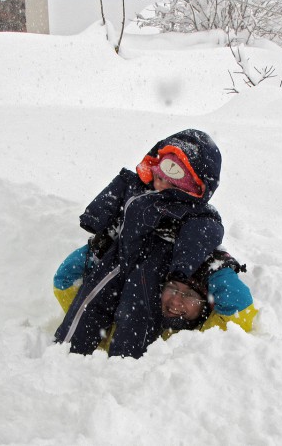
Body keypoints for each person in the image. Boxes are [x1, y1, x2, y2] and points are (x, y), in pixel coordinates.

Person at [54, 129, 225, 358]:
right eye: (159, 177)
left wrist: (182, 267)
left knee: (137, 315)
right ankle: (66, 351)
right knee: (91, 301)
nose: (161, 184)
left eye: (172, 184)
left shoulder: (197, 214)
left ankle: (126, 366)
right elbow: (117, 190)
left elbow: (202, 234)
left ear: (194, 189)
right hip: (118, 258)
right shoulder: (136, 185)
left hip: (151, 270)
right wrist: (96, 219)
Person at [53, 247, 258, 353]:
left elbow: (239, 306)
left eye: (190, 296)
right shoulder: (122, 316)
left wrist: (216, 270)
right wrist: (105, 253)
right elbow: (65, 281)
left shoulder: (206, 338)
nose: (176, 302)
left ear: (208, 303)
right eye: (172, 289)